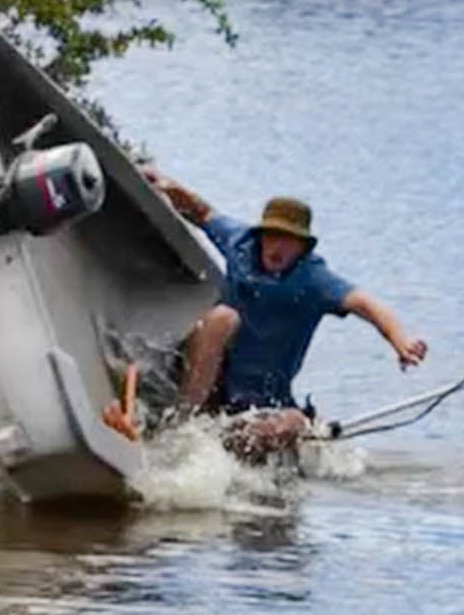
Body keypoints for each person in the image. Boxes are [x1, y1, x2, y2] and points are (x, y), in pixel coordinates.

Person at [144, 173, 427, 437]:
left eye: (288, 240)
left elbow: (365, 304)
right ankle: (181, 425)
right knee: (222, 317)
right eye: (273, 236)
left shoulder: (314, 280)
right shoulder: (241, 244)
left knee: (289, 423)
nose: (277, 246)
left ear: (302, 247)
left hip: (268, 401)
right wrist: (172, 187)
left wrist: (400, 340)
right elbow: (204, 213)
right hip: (218, 384)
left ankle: (241, 444)